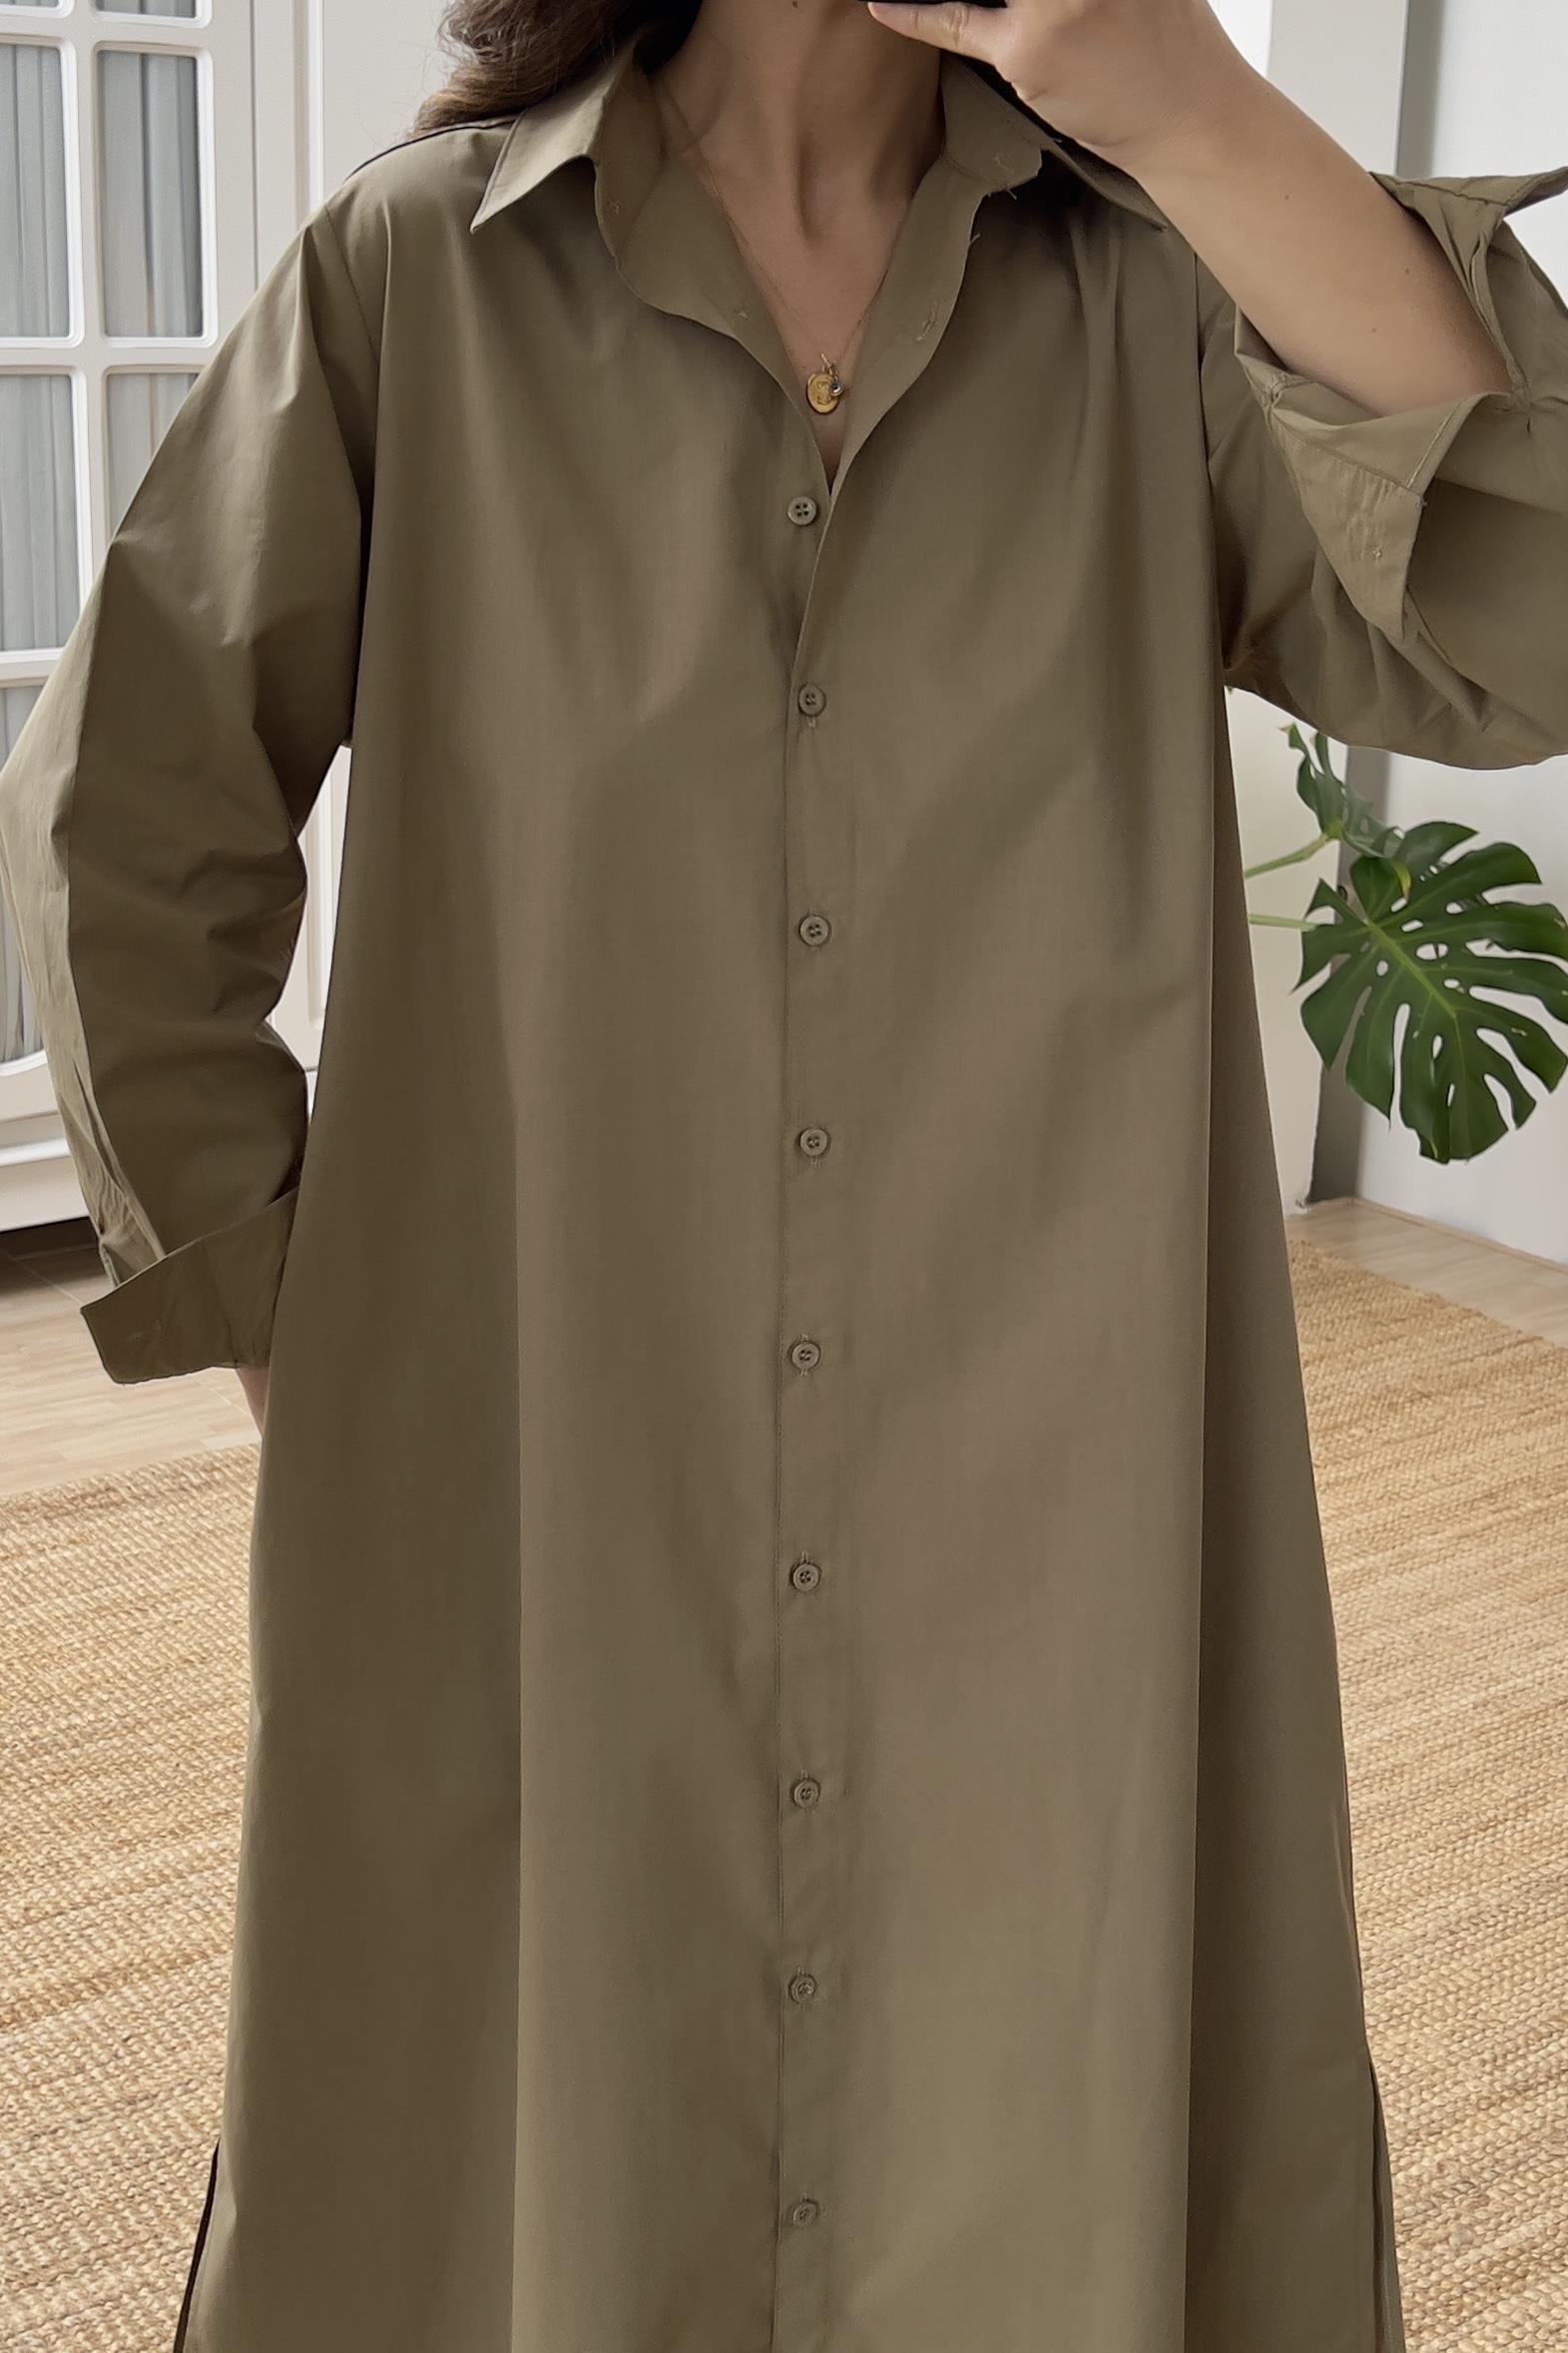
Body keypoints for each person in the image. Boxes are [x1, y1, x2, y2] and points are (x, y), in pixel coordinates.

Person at [2, 0, 1566, 2345]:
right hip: (556, 1451)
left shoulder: (1157, 286)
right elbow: (123, 829)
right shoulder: (417, 279)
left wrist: (1181, 97)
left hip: (1054, 1481)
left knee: (1044, 2055)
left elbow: (1529, 619)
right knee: (512, 2099)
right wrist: (305, 1340)